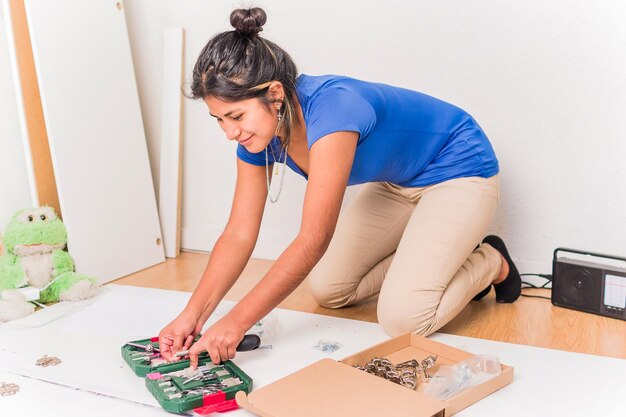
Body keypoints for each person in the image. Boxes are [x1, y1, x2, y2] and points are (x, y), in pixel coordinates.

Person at [158, 7, 521, 368]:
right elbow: (238, 233)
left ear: (275, 93)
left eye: (236, 116)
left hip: (457, 170)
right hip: (397, 183)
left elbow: (314, 238)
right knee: (329, 289)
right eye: (219, 119)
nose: (230, 132)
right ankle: (437, 253)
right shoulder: (256, 138)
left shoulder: (333, 111)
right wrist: (193, 315)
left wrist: (236, 322)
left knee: (404, 318)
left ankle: (491, 260)